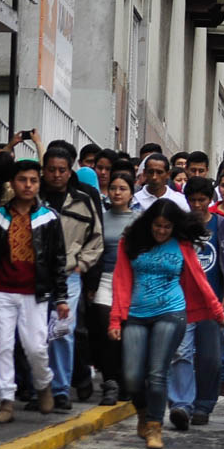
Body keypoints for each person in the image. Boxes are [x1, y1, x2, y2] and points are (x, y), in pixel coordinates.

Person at [109, 200, 224, 449]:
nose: (161, 231)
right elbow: (120, 280)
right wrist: (116, 318)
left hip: (171, 312)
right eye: (157, 226)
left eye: (167, 227)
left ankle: (154, 427)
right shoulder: (130, 242)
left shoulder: (182, 244)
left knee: (157, 371)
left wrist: (217, 311)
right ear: (148, 223)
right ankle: (143, 412)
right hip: (137, 313)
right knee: (131, 377)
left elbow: (200, 279)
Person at [0, 160, 69, 423]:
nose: (28, 185)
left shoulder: (48, 218)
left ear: (39, 184)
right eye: (22, 180)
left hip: (35, 293)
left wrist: (61, 297)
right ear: (12, 183)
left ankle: (44, 384)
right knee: (1, 346)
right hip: (3, 291)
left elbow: (57, 259)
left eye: (33, 180)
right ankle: (6, 401)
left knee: (35, 347)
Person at [166, 177, 224, 430]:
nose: (197, 205)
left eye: (202, 200)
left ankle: (204, 404)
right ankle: (181, 404)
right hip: (182, 301)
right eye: (192, 200)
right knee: (181, 353)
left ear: (211, 201)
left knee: (211, 358)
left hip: (213, 303)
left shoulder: (223, 226)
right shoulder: (179, 228)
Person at [40, 145, 104, 409]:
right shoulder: (34, 199)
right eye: (52, 170)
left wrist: (82, 264)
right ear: (44, 171)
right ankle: (37, 388)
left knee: (62, 332)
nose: (56, 175)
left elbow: (96, 239)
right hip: (36, 275)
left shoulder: (82, 200)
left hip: (69, 276)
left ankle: (61, 389)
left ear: (70, 172)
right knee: (35, 334)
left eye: (62, 170)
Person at [89, 172, 137, 406]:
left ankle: (125, 379)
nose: (117, 192)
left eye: (123, 189)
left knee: (126, 332)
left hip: (131, 281)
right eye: (114, 188)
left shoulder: (140, 220)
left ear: (131, 193)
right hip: (105, 279)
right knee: (107, 328)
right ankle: (110, 382)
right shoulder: (100, 218)